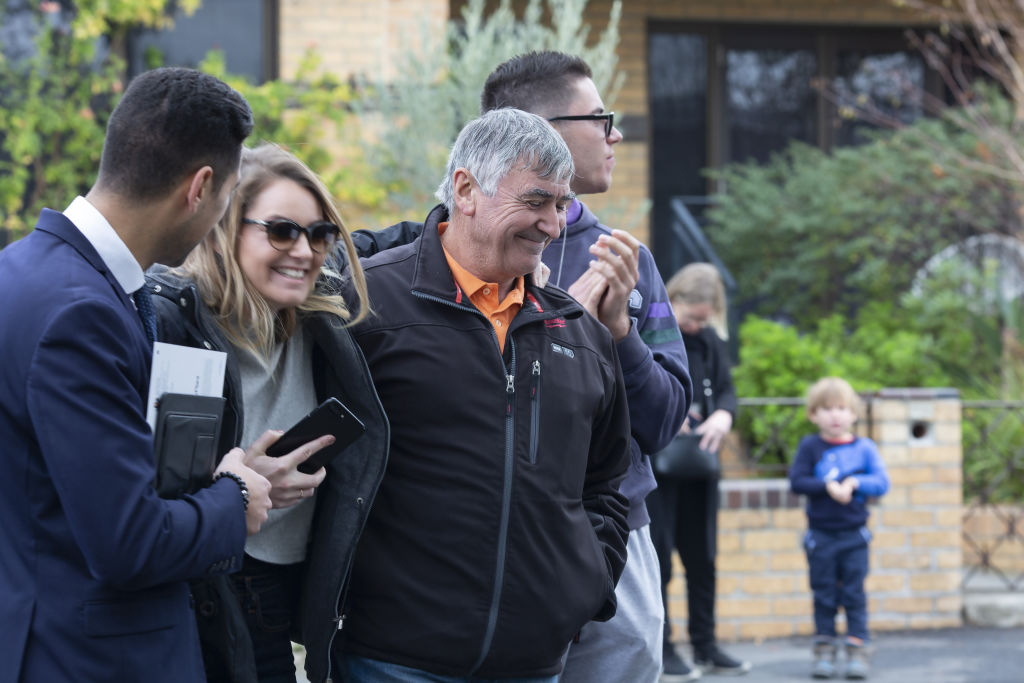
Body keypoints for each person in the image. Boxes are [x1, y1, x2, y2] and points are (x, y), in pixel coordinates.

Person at [352, 51, 692, 683]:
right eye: (598, 117)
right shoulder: (389, 281)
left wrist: (618, 336)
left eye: (558, 205)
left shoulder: (626, 259)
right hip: (415, 627)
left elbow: (651, 431)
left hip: (570, 582)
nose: (614, 134)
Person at [0, 67, 273, 683]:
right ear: (200, 187)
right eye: (228, 201)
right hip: (92, 658)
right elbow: (130, 542)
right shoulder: (82, 312)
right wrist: (234, 499)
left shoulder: (20, 269)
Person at [147, 143, 389, 683]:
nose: (304, 250)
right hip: (205, 589)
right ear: (225, 229)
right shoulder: (172, 321)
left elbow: (395, 242)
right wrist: (238, 491)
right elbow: (136, 493)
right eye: (281, 231)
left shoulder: (322, 317)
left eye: (320, 234)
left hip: (286, 591)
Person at [649, 263, 751, 679]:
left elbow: (727, 389)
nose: (694, 326)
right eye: (690, 316)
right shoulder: (650, 332)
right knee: (659, 562)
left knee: (702, 559)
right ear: (672, 300)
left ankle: (706, 645)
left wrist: (724, 416)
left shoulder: (709, 340)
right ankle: (664, 647)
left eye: (702, 319)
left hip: (701, 465)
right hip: (658, 467)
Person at [789, 376, 890, 680]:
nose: (835, 415)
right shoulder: (810, 447)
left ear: (854, 414)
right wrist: (826, 486)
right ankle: (824, 651)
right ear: (813, 414)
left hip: (854, 537)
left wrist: (855, 482)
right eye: (827, 409)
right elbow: (797, 481)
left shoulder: (865, 448)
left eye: (842, 409)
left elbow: (882, 482)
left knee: (854, 595)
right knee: (824, 595)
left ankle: (858, 650)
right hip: (820, 537)